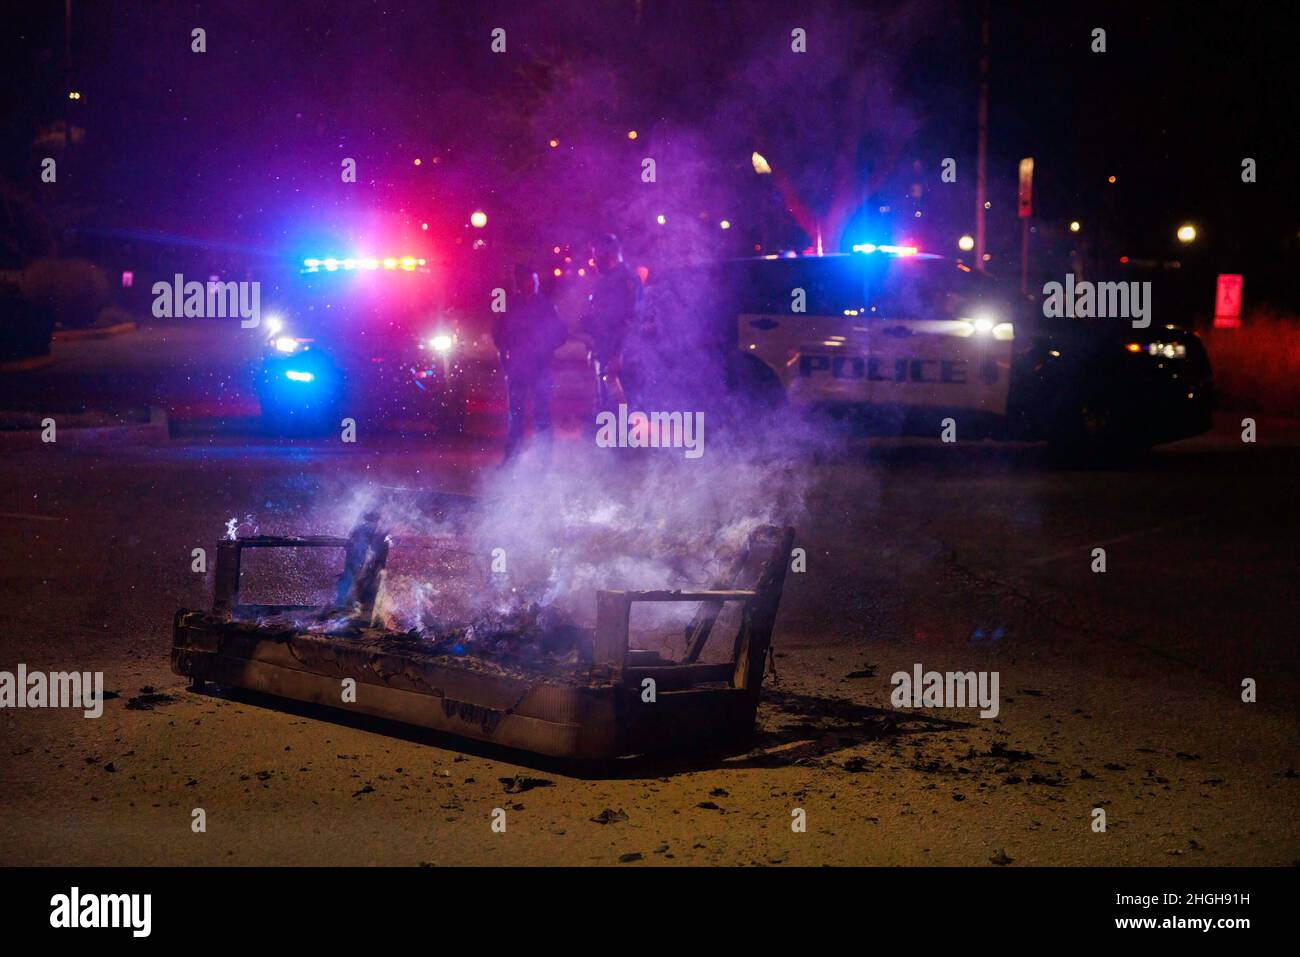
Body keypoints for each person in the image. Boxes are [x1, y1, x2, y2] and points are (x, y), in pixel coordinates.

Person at [493, 264, 567, 461]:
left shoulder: (545, 306)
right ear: (520, 283)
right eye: (529, 281)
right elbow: (498, 332)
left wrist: (545, 347)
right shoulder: (509, 305)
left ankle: (544, 459)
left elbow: (561, 333)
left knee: (541, 413)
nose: (533, 285)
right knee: (515, 414)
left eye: (535, 281)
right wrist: (505, 354)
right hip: (517, 367)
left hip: (539, 367)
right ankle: (511, 458)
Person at [580, 233, 643, 414]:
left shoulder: (626, 280)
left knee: (621, 411)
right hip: (607, 353)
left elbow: (633, 319)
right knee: (609, 411)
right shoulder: (607, 280)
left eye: (596, 255)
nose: (594, 260)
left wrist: (618, 354)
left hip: (620, 358)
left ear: (608, 255)